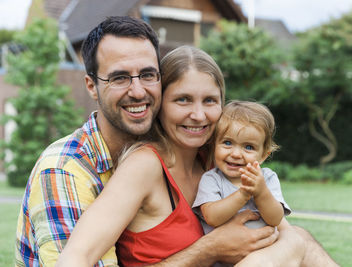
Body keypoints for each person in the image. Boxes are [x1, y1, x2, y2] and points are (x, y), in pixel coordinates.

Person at [15, 17, 280, 267]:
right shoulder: (66, 170)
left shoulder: (212, 160)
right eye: (119, 77)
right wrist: (209, 249)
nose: (138, 91)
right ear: (91, 85)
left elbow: (283, 231)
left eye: (147, 75)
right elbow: (77, 257)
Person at [193, 100, 291, 266]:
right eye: (228, 143)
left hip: (267, 258)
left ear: (263, 155)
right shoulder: (212, 179)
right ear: (214, 145)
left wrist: (261, 192)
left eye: (249, 147)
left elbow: (275, 218)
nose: (236, 154)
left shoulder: (267, 178)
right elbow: (212, 217)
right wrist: (243, 194)